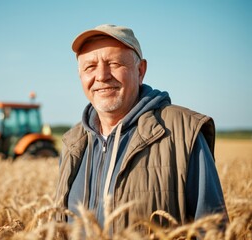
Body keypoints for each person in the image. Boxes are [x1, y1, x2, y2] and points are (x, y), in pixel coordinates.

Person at [55, 24, 227, 233]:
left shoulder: (183, 132)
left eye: (114, 63)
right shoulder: (73, 143)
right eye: (90, 67)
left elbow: (212, 232)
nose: (101, 76)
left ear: (140, 70)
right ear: (80, 76)